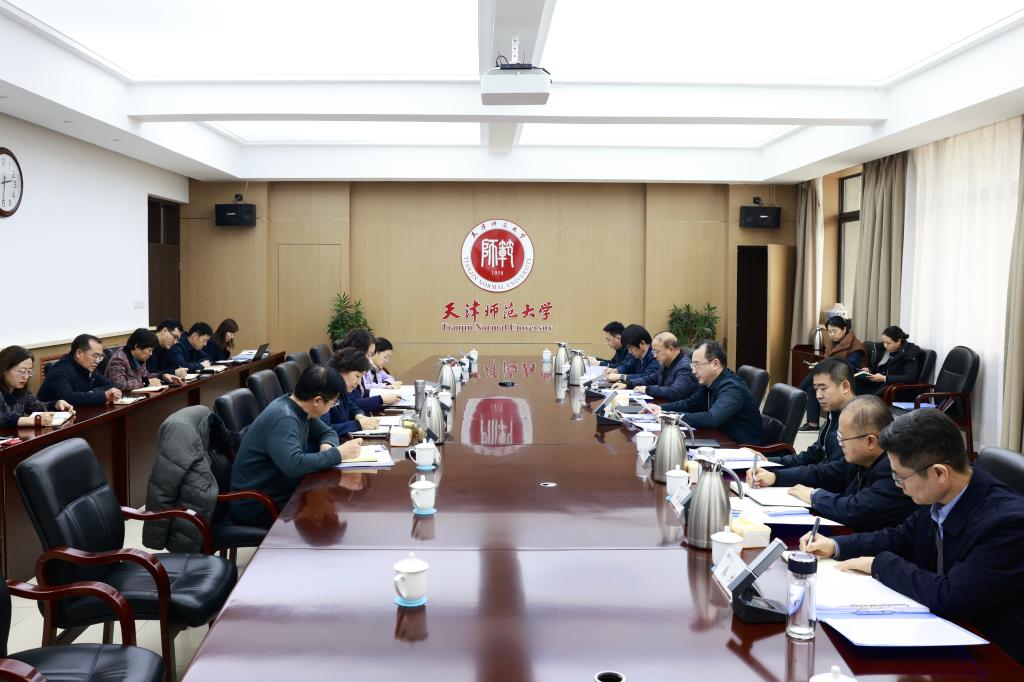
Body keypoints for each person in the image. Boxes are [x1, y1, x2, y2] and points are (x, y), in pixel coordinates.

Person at [800, 410, 1024, 664]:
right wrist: (836, 545)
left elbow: (951, 595)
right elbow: (900, 536)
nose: (898, 485)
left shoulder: (1009, 524)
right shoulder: (944, 494)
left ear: (939, 473)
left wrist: (878, 564)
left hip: (994, 654)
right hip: (943, 630)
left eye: (900, 476)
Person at [748, 396, 920, 530]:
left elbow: (856, 510)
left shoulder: (894, 469)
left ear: (870, 441)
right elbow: (821, 472)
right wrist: (775, 476)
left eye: (843, 438)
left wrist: (814, 496)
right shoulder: (858, 459)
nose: (840, 444)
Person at [229, 365, 364, 528]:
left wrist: (327, 448)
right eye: (333, 403)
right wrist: (338, 454)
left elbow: (327, 432)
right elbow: (295, 465)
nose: (331, 407)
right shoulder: (284, 418)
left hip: (279, 492)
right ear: (317, 401)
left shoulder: (300, 408)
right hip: (258, 506)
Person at [648, 340, 763, 445]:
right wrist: (662, 408)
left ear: (715, 364)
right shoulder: (710, 381)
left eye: (697, 365)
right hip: (718, 439)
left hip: (741, 449)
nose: (693, 371)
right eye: (692, 365)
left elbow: (712, 419)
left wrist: (672, 417)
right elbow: (691, 404)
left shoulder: (732, 388)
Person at [770, 358, 856, 468]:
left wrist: (777, 475)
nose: (818, 396)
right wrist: (768, 461)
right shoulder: (834, 414)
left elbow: (833, 472)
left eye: (823, 388)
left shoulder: (856, 422)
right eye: (816, 389)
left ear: (845, 387)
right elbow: (812, 456)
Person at [799, 316, 867, 431]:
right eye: (829, 332)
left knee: (815, 374)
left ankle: (798, 393)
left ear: (844, 329)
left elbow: (848, 367)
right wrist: (820, 364)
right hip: (833, 375)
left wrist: (824, 367)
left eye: (834, 331)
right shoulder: (832, 343)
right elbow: (828, 360)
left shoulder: (856, 346)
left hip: (849, 379)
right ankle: (813, 424)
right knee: (812, 387)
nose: (831, 334)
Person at [611, 332, 698, 402]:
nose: (655, 356)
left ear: (670, 349)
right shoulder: (666, 363)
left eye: (657, 352)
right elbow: (650, 379)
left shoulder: (685, 367)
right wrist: (628, 383)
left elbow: (675, 392)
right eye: (653, 352)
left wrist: (648, 389)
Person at [0, 345, 75, 427]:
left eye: (29, 372)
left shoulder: (21, 390)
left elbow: (36, 406)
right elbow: (2, 418)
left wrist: (56, 404)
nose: (26, 377)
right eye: (22, 371)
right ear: (4, 369)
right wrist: (34, 420)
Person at [38, 334, 122, 406]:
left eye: (100, 357)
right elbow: (68, 398)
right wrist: (102, 396)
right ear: (79, 353)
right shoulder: (60, 371)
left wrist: (91, 393)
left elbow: (109, 385)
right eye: (95, 356)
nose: (98, 361)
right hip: (51, 417)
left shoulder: (89, 366)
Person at [336, 328, 400, 411]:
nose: (370, 360)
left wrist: (383, 393)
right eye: (369, 355)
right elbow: (351, 404)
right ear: (357, 350)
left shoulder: (352, 366)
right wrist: (381, 399)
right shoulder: (342, 370)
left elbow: (360, 393)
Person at [105, 328, 183, 393]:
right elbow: (120, 385)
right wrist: (146, 382)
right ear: (137, 346)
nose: (151, 354)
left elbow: (145, 375)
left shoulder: (139, 357)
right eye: (149, 350)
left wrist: (162, 376)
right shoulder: (118, 359)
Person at [326, 348, 381, 436]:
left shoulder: (341, 388)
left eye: (361, 378)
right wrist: (358, 425)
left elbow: (352, 406)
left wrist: (359, 416)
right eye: (357, 376)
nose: (359, 382)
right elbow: (324, 430)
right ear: (342, 370)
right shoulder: (324, 391)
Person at [855, 325, 921, 395]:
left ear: (898, 341)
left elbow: (910, 378)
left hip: (892, 388)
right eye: (884, 342)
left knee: (859, 393)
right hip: (879, 384)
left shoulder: (909, 352)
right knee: (854, 382)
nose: (885, 345)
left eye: (888, 343)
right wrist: (869, 371)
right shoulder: (885, 350)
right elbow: (880, 368)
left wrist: (885, 378)